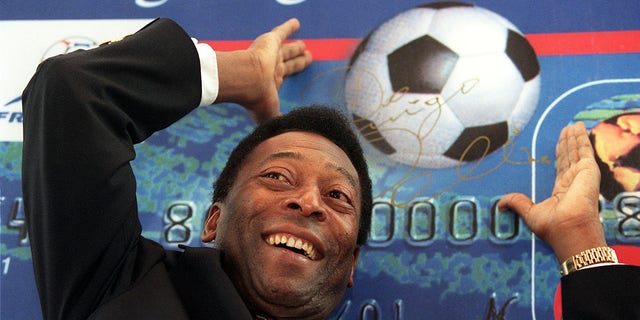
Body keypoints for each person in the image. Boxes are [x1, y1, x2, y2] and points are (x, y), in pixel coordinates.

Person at [21, 17, 638, 320]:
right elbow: (74, 92)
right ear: (213, 221)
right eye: (278, 177)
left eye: (339, 199)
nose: (310, 202)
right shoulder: (117, 285)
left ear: (352, 269)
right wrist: (234, 75)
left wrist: (583, 243)